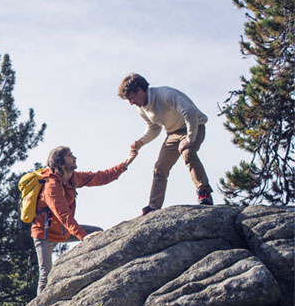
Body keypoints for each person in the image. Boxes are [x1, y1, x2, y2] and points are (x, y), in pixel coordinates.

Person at [32, 146, 137, 293]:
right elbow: (63, 214)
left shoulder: (73, 178)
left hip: (64, 231)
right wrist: (83, 236)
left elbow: (100, 177)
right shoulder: (51, 186)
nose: (74, 158)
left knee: (98, 234)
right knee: (46, 277)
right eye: (70, 156)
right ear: (61, 163)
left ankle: (94, 275)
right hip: (44, 234)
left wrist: (126, 163)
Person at [118, 73, 214, 215]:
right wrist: (141, 142)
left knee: (188, 153)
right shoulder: (142, 109)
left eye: (131, 98)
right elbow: (154, 128)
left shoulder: (164, 94)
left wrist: (190, 138)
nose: (131, 103)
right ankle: (153, 206)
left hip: (195, 126)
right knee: (160, 167)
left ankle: (204, 192)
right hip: (173, 134)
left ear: (140, 90)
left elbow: (190, 111)